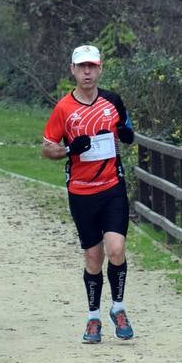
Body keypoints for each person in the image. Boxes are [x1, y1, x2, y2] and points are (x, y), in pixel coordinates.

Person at [42, 44, 135, 344]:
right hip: (81, 193)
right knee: (93, 259)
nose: (87, 71)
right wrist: (70, 149)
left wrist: (127, 134)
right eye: (81, 66)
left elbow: (125, 128)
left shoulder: (112, 100)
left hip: (112, 187)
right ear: (72, 69)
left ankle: (118, 308)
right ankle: (93, 316)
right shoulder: (64, 109)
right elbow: (47, 148)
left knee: (116, 249)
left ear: (100, 68)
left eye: (92, 66)